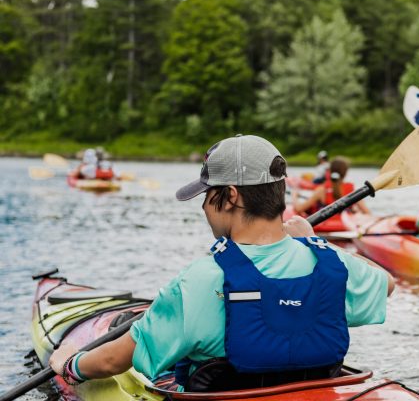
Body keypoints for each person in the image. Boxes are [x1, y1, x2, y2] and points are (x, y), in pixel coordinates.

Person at [49, 134, 394, 391]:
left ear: (230, 196)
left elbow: (112, 360)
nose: (202, 208)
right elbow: (387, 284)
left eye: (206, 195)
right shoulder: (332, 266)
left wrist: (69, 363)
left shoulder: (200, 280)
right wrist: (313, 243)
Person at [293, 156, 370, 216]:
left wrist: (295, 196)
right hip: (345, 227)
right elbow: (367, 213)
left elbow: (299, 209)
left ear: (329, 171)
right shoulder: (352, 191)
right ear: (345, 173)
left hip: (326, 227)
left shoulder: (321, 190)